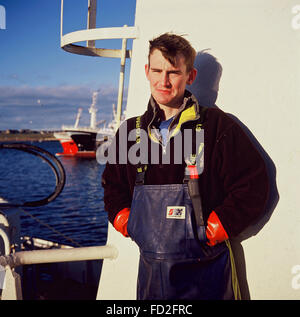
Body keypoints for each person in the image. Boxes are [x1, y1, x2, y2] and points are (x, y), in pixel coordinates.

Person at [101, 32, 269, 300]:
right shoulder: (130, 131)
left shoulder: (218, 126)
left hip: (210, 273)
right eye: (157, 70)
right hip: (152, 278)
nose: (163, 81)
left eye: (173, 72)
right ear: (146, 71)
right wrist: (126, 221)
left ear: (190, 76)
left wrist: (216, 228)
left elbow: (254, 184)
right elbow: (112, 186)